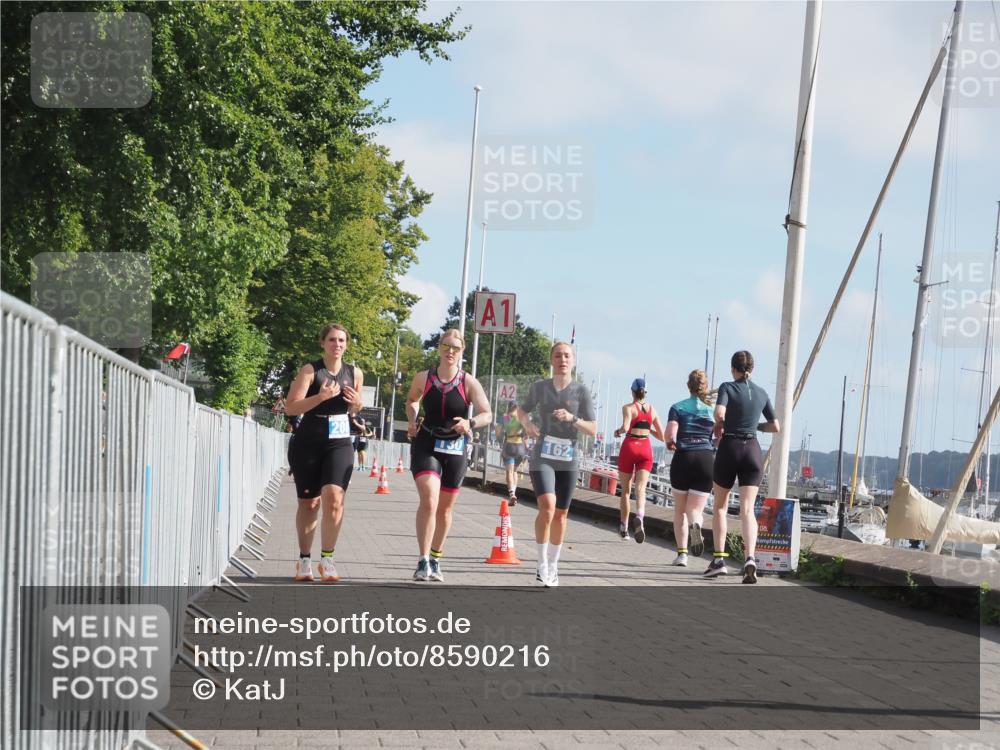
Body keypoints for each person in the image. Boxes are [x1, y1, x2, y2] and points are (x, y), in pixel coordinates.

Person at [405, 329, 492, 582]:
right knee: (429, 500)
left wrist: (470, 422)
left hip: (455, 447)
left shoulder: (468, 382)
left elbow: (487, 413)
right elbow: (412, 399)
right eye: (446, 346)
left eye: (455, 348)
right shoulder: (424, 377)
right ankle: (422, 561)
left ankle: (435, 558)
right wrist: (412, 418)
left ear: (462, 351)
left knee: (444, 509)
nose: (450, 352)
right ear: (439, 347)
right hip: (427, 442)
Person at [284, 323, 364, 583]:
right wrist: (320, 397)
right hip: (309, 441)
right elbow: (291, 408)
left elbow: (355, 410)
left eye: (342, 340)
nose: (337, 345)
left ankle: (327, 559)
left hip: (339, 442)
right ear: (322, 343)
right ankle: (304, 560)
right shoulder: (311, 370)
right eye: (332, 340)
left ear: (346, 344)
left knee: (334, 497)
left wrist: (355, 404)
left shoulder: (355, 373)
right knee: (309, 504)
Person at [518, 342, 597, 587]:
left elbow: (593, 429)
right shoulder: (541, 387)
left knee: (561, 515)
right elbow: (521, 411)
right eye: (558, 355)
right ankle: (541, 564)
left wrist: (573, 419)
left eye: (567, 356)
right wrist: (528, 426)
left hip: (568, 456)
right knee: (548, 506)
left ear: (573, 361)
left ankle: (553, 564)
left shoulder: (581, 392)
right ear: (551, 360)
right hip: (543, 453)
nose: (562, 359)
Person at [705, 350, 780, 584]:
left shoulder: (727, 387)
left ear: (733, 369)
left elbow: (719, 412)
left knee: (720, 507)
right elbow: (775, 426)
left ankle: (719, 560)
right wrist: (755, 426)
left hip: (731, 447)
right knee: (747, 510)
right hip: (753, 451)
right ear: (753, 369)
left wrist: (721, 424)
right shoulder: (761, 392)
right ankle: (750, 558)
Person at [665, 370, 716, 566]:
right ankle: (696, 525)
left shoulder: (677, 407)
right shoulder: (711, 411)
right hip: (705, 459)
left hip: (683, 457)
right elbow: (719, 436)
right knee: (695, 510)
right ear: (704, 386)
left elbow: (670, 434)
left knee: (679, 511)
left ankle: (682, 555)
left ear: (689, 386)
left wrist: (670, 443)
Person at [613, 378, 664, 543]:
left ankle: (624, 528)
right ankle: (640, 517)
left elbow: (626, 427)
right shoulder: (652, 410)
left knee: (626, 491)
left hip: (629, 448)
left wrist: (618, 431)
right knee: (641, 488)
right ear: (645, 392)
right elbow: (662, 436)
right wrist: (648, 428)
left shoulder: (628, 408)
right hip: (645, 449)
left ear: (632, 391)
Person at [497, 400, 527, 505]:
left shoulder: (504, 418)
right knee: (515, 472)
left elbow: (498, 432)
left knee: (509, 472)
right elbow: (527, 431)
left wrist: (500, 438)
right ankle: (514, 492)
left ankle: (512, 494)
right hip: (520, 447)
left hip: (509, 445)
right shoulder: (521, 418)